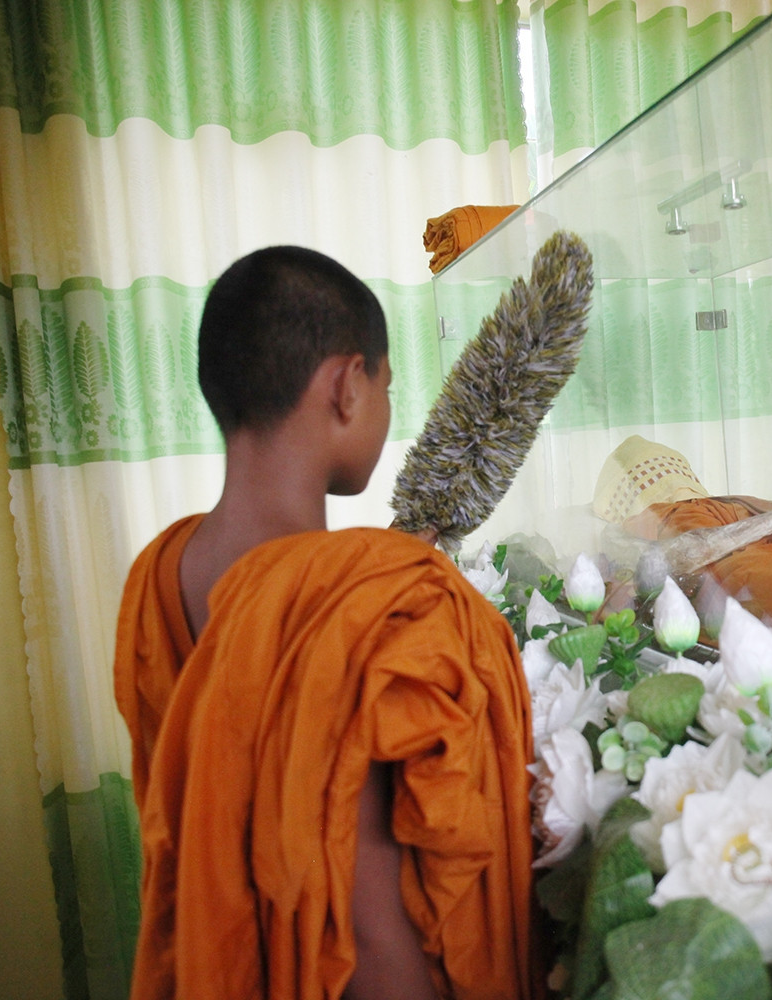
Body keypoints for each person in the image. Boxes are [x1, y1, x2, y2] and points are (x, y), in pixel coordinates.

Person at [113, 246, 539, 1000]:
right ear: (347, 385)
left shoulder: (159, 572)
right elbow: (373, 937)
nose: (383, 408)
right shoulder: (358, 604)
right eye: (386, 387)